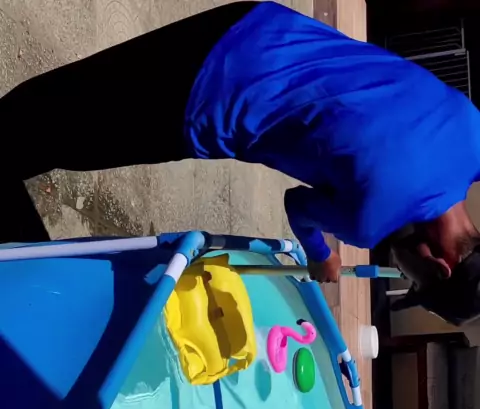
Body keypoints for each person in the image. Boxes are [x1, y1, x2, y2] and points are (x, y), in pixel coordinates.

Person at [3, 1, 480, 325]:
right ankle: (32, 299)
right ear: (439, 266)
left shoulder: (470, 130)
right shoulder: (371, 221)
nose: (401, 270)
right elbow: (298, 206)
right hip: (206, 100)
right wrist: (321, 255)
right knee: (29, 132)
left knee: (41, 114)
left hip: (253, 23)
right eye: (414, 281)